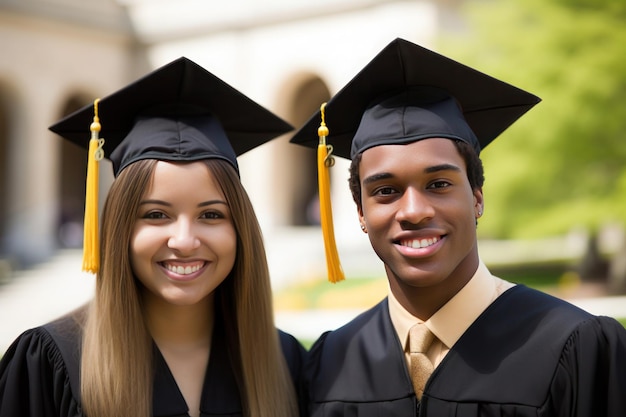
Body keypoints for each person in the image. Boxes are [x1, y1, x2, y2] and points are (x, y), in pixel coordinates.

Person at [290, 38, 626, 416]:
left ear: (478, 197)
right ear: (361, 213)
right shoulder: (330, 362)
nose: (414, 211)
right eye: (386, 191)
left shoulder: (574, 347)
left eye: (438, 184)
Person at [0, 57, 305, 417]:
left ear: (240, 228)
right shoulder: (50, 363)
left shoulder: (285, 361)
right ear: (120, 228)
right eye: (156, 215)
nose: (184, 240)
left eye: (211, 215)